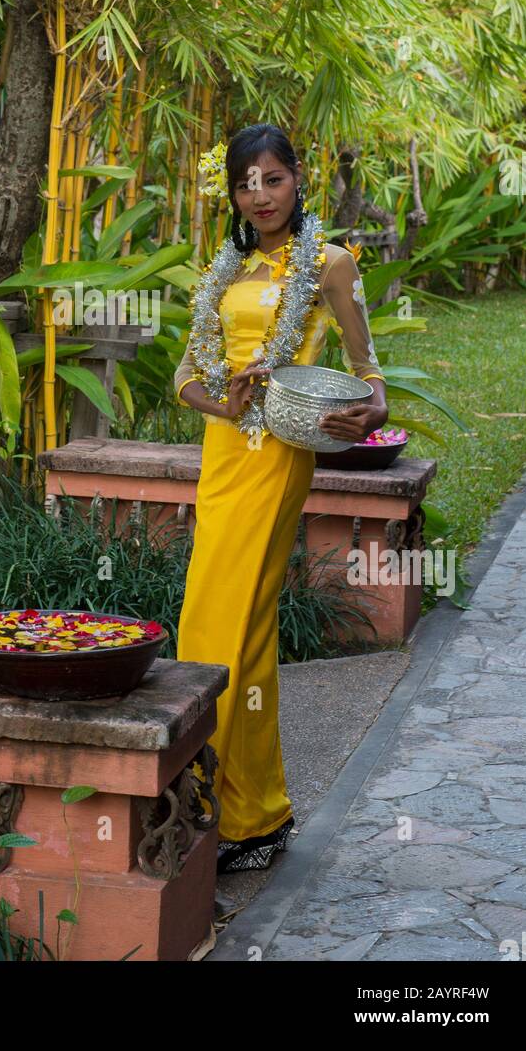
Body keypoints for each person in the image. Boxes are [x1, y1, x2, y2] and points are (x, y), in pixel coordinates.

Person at [173, 124, 388, 874]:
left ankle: (221, 811)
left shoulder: (329, 264)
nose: (258, 196)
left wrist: (371, 410)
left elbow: (369, 372)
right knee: (217, 621)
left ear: (299, 178)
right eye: (243, 183)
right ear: (231, 193)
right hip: (226, 451)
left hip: (279, 452)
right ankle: (249, 815)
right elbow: (186, 379)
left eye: (271, 179)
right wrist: (222, 405)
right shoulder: (225, 269)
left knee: (232, 624)